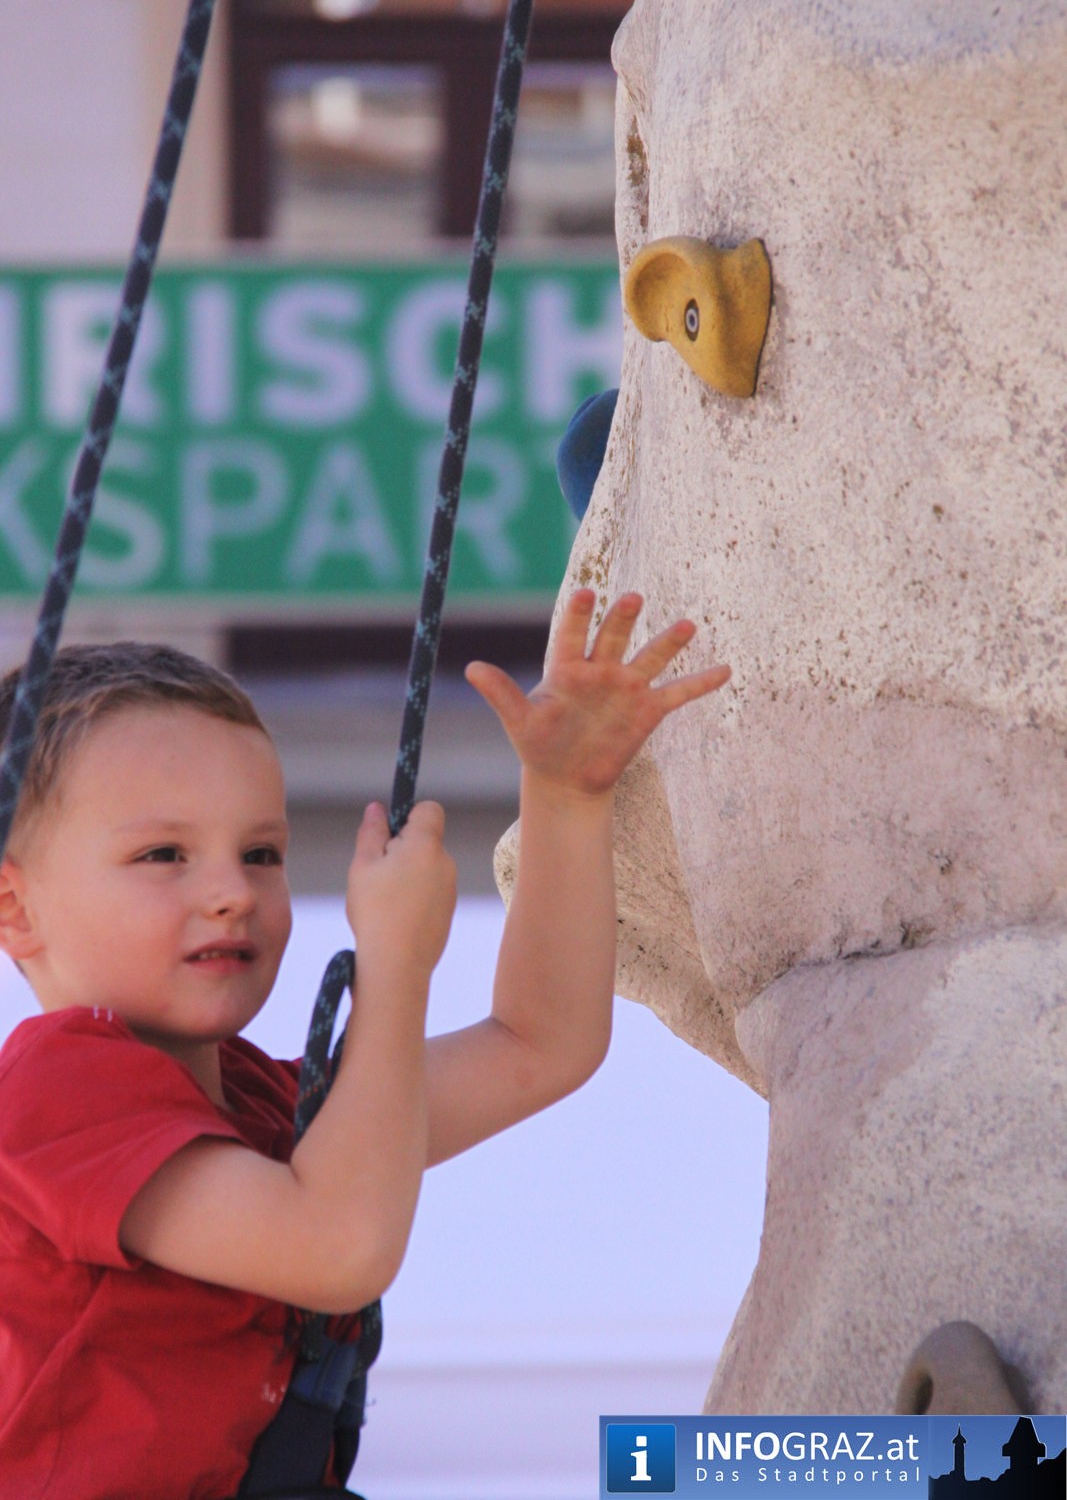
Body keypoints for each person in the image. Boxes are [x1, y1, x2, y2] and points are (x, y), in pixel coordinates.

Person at [0, 589, 730, 1500]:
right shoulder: (54, 1087)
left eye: (261, 853)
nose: (231, 890)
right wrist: (393, 969)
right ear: (14, 908)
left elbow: (541, 1042)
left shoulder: (272, 1110)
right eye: (164, 856)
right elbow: (335, 1248)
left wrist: (565, 796)